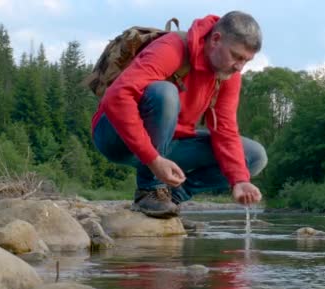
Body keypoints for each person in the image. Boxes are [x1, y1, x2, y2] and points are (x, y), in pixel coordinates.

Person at [91, 11, 267, 218]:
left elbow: (225, 130)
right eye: (236, 56)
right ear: (216, 40)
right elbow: (117, 96)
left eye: (246, 60)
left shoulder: (228, 75)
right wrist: (153, 159)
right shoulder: (171, 48)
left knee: (254, 156)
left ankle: (171, 198)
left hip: (170, 144)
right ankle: (149, 191)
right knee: (164, 93)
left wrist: (240, 181)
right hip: (115, 137)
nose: (239, 67)